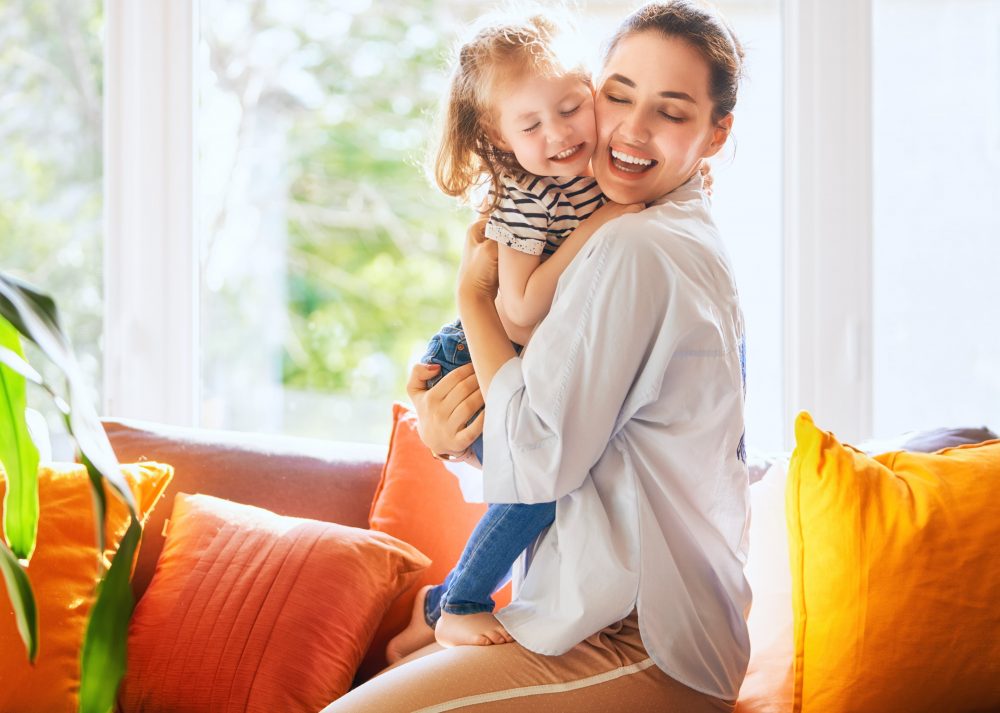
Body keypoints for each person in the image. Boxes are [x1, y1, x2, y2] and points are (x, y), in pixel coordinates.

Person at [322, 2, 750, 710]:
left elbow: (540, 456)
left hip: (642, 638)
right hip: (591, 616)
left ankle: (441, 606)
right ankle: (437, 610)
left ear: (716, 134)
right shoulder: (651, 222)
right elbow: (570, 425)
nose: (631, 129)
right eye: (619, 95)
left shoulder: (637, 246)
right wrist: (453, 432)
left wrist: (472, 298)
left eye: (670, 112)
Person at [393, 11, 643, 659]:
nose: (559, 133)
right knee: (546, 480)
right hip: (471, 356)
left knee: (561, 475)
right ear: (501, 142)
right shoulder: (526, 196)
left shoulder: (595, 173)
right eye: (532, 125)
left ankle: (427, 611)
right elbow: (522, 310)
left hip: (512, 357)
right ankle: (460, 602)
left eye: (570, 106)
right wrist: (603, 226)